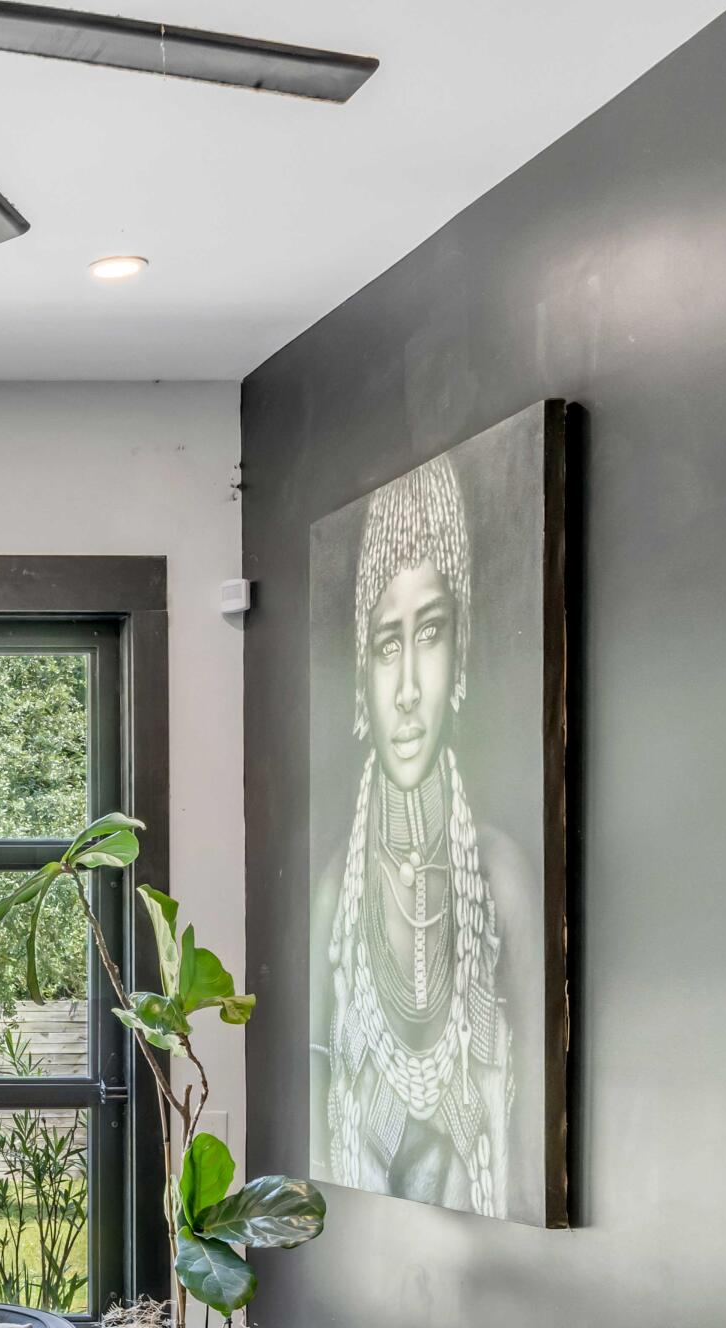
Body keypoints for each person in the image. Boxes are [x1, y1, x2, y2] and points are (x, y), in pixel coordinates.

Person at [311, 452, 536, 1219]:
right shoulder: (336, 890)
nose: (407, 690)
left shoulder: (502, 877)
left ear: (461, 654)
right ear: (361, 677)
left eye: (430, 634)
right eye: (386, 644)